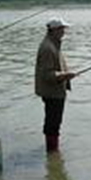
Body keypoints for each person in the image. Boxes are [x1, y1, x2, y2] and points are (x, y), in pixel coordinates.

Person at [35, 17, 76, 152]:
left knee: (54, 122)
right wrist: (66, 75)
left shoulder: (53, 44)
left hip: (56, 90)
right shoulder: (48, 48)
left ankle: (53, 159)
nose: (63, 32)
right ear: (53, 30)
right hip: (52, 92)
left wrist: (66, 73)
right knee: (53, 123)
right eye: (61, 29)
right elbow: (47, 75)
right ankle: (52, 151)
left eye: (63, 29)